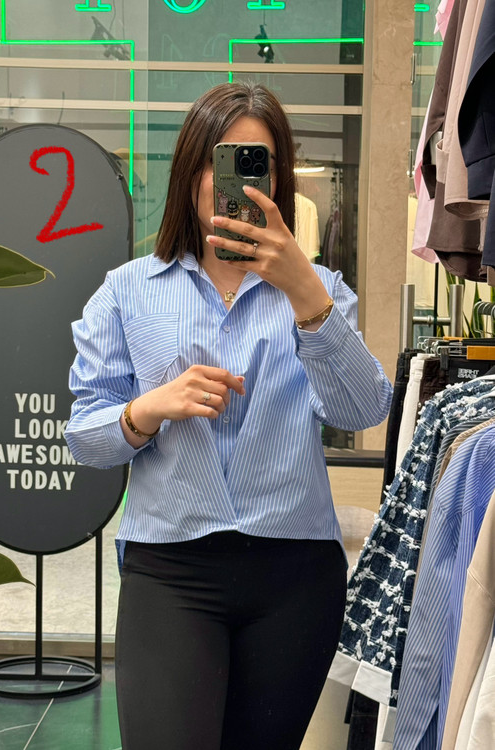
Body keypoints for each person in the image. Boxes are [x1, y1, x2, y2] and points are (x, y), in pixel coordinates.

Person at [65, 81, 393, 750]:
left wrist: (304, 291)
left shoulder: (320, 292)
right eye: (223, 160)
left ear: (277, 179)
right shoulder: (128, 291)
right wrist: (148, 409)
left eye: (256, 162)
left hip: (295, 576)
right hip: (170, 571)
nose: (234, 182)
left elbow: (362, 408)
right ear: (192, 171)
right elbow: (86, 441)